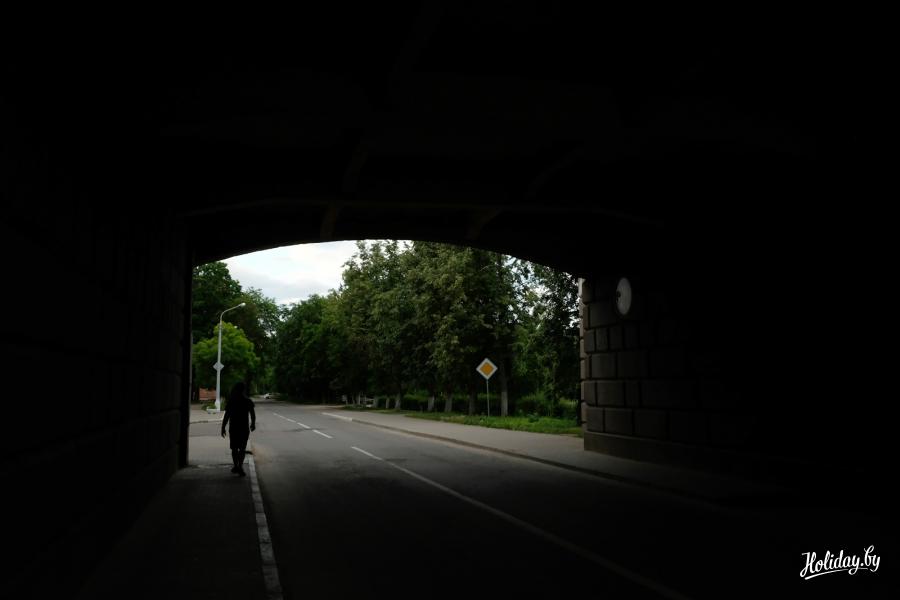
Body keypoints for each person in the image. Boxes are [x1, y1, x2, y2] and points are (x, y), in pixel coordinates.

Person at [221, 381, 256, 476]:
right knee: (242, 449)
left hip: (234, 428)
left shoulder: (231, 401)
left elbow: (226, 415)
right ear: (243, 390)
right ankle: (240, 466)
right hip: (244, 428)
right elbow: (252, 414)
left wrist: (223, 427)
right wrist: (253, 424)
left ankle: (236, 466)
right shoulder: (248, 401)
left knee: (234, 448)